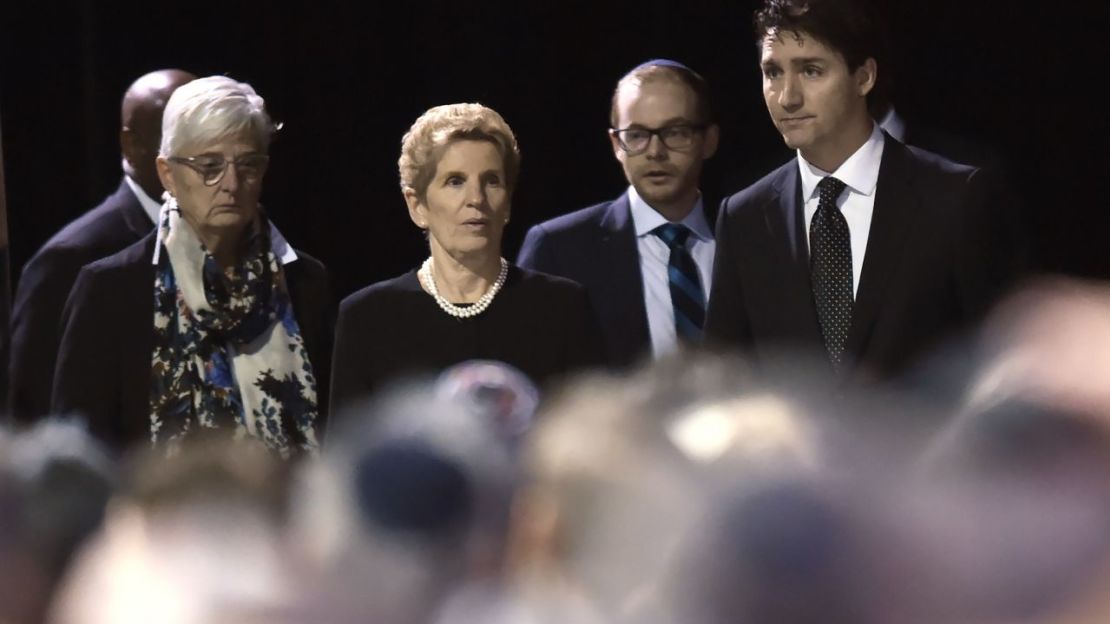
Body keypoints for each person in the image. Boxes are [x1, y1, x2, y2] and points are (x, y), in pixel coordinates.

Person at [705, 0, 1018, 383]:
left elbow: (1002, 367)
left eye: (811, 70)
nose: (787, 97)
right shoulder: (743, 218)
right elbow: (720, 381)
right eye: (772, 72)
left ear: (864, 77)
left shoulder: (955, 198)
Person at [51, 75, 332, 457]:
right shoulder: (110, 290)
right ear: (167, 173)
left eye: (248, 164)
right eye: (209, 166)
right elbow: (79, 454)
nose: (231, 183)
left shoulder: (304, 281)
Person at [330, 103, 601, 412]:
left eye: (492, 181)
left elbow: (596, 442)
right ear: (417, 205)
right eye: (455, 181)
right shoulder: (367, 318)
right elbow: (348, 454)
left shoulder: (563, 308)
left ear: (508, 203)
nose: (476, 199)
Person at [8, 69, 196, 422]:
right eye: (177, 134)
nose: (196, 152)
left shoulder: (243, 247)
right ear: (131, 143)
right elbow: (33, 415)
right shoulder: (70, 258)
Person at [517, 60, 720, 367]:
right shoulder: (559, 249)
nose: (655, 151)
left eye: (675, 132)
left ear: (709, 140)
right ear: (616, 144)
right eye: (637, 135)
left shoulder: (748, 237)